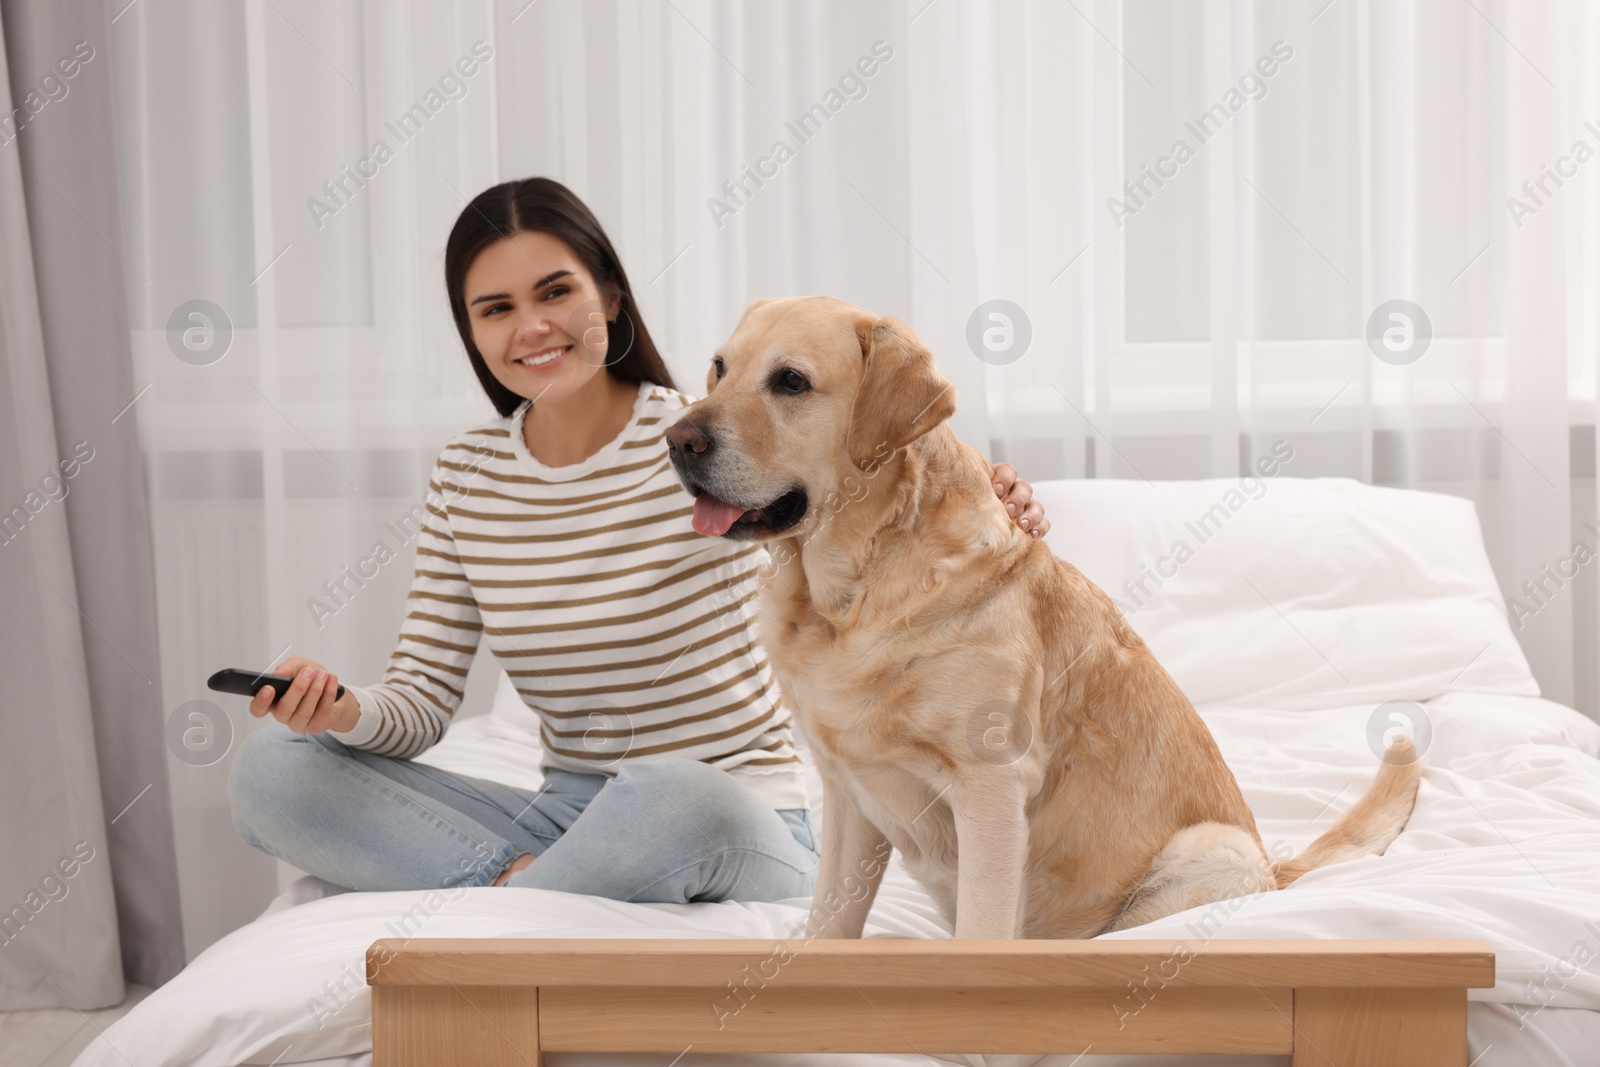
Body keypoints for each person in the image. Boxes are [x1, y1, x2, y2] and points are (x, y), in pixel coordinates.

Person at [227, 176, 1051, 904]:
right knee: (272, 770)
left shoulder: (711, 437)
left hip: (729, 812)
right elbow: (419, 702)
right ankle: (530, 890)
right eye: (497, 308)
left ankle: (504, 902)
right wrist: (337, 709)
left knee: (668, 793)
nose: (533, 327)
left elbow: (865, 506)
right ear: (472, 332)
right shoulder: (466, 476)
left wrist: (987, 494)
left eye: (556, 292)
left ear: (610, 299)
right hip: (560, 812)